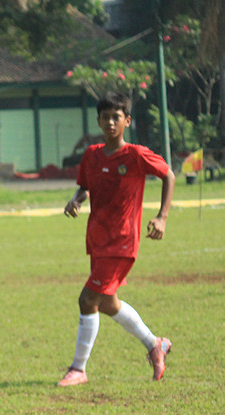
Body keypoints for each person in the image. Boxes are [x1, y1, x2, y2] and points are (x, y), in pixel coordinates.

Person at [58, 92, 175, 387]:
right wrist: (76, 199)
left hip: (123, 240)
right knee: (108, 303)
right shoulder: (92, 155)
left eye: (116, 117)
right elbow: (85, 186)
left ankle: (78, 369)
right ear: (98, 120)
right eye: (105, 117)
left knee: (87, 299)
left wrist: (162, 216)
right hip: (98, 237)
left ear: (127, 121)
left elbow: (168, 175)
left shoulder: (135, 155)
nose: (110, 122)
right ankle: (155, 344)